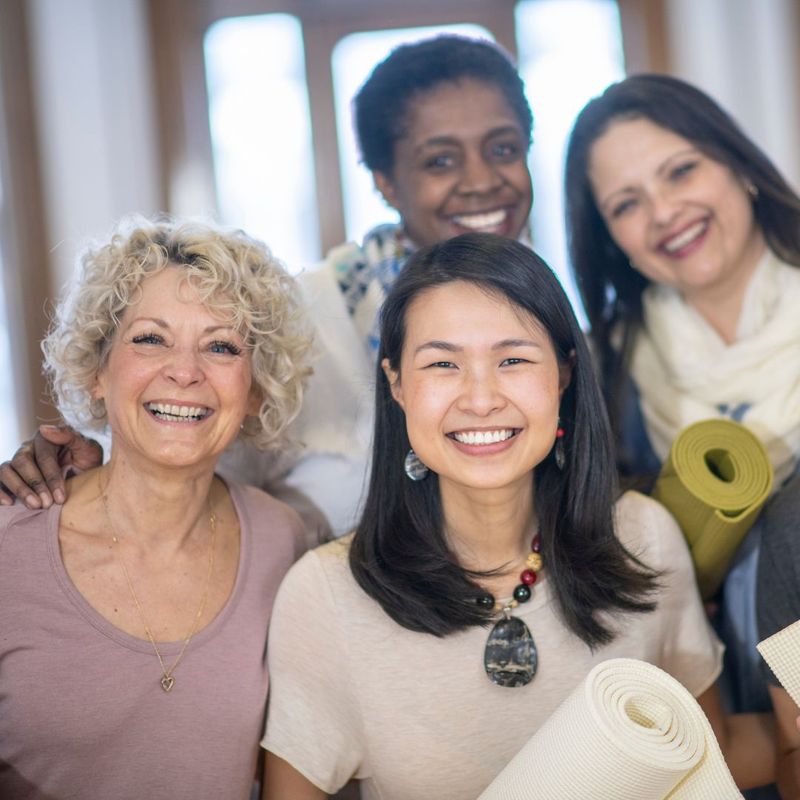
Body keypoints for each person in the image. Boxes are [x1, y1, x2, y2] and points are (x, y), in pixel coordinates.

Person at [260, 233, 774, 799]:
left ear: (564, 373)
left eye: (512, 359)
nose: (481, 398)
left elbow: (707, 758)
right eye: (442, 363)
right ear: (397, 385)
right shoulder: (326, 593)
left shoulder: (643, 536)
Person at [0, 34, 534, 540]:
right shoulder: (302, 317)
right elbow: (177, 448)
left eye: (504, 149)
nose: (483, 180)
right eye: (440, 160)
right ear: (385, 181)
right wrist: (74, 464)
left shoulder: (547, 320)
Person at [0, 217, 309, 799]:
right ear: (96, 369)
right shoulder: (8, 545)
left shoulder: (282, 539)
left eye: (221, 346)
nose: (185, 371)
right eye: (150, 338)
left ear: (256, 389)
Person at [564, 74, 800, 796]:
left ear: (738, 166)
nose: (666, 212)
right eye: (627, 204)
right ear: (613, 240)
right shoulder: (604, 373)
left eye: (682, 170)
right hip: (719, 740)